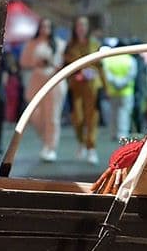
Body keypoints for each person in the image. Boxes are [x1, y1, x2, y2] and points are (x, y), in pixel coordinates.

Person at [19, 18, 63, 162]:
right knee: (35, 115)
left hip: (54, 82)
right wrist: (35, 62)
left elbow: (64, 63)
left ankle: (50, 147)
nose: (45, 29)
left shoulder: (59, 44)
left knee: (52, 117)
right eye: (43, 26)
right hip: (36, 80)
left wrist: (51, 62)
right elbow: (23, 62)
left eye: (48, 26)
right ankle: (46, 140)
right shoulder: (32, 44)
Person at [62, 15, 102, 165]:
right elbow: (65, 66)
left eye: (84, 25)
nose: (81, 28)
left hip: (92, 86)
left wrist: (104, 85)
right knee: (77, 118)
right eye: (79, 25)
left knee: (92, 118)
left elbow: (100, 65)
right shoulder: (70, 46)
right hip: (75, 86)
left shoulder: (95, 44)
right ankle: (81, 142)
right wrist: (74, 76)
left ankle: (91, 148)